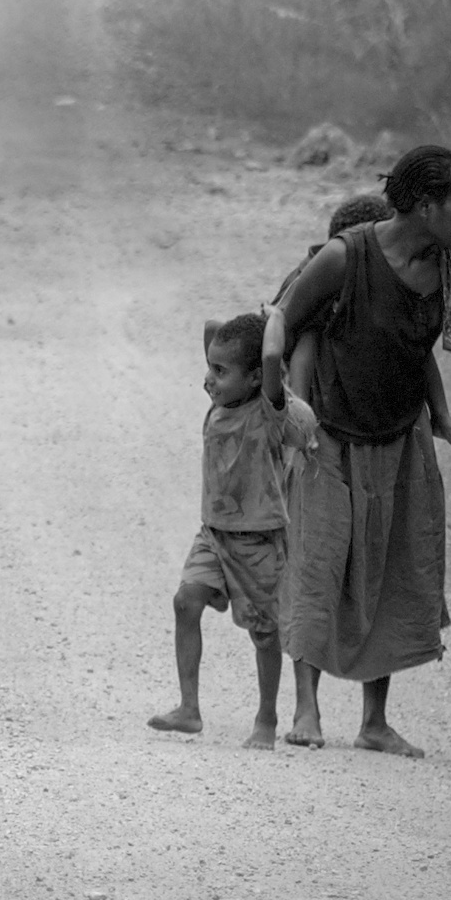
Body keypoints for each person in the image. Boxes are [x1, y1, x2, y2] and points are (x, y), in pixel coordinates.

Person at [264, 144, 451, 757]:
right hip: (328, 437)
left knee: (389, 568)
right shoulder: (345, 257)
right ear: (424, 205)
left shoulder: (448, 266)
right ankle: (305, 710)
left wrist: (440, 416)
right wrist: (285, 409)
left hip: (399, 438)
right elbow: (282, 323)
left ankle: (374, 723)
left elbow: (426, 351)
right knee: (319, 563)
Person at [148, 313, 316, 749]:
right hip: (214, 534)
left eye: (220, 372)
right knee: (186, 601)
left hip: (258, 541)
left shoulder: (268, 409)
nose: (208, 380)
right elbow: (210, 325)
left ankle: (266, 719)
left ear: (257, 377)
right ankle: (189, 708)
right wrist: (230, 345)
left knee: (264, 635)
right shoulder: (221, 404)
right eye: (209, 368)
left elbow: (275, 352)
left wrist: (279, 316)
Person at [278, 193, 451, 449]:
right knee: (309, 338)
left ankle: (441, 416)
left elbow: (418, 348)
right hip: (327, 392)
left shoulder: (389, 277)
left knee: (413, 345)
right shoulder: (319, 274)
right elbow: (288, 331)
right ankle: (302, 425)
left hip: (385, 397)